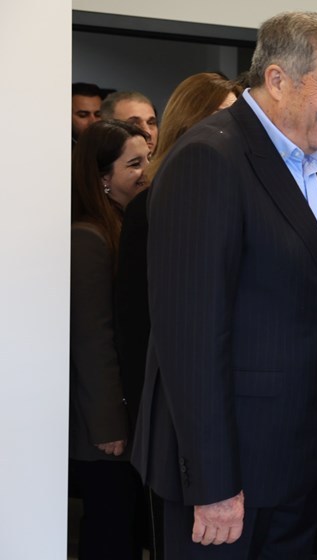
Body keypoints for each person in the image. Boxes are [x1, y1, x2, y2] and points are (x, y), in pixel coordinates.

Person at [131, 11, 317, 558]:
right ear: (277, 80)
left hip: (292, 464)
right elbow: (190, 340)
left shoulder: (309, 166)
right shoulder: (209, 158)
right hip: (229, 478)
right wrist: (213, 484)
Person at [115, 72, 243, 557]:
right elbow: (136, 324)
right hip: (168, 403)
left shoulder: (234, 196)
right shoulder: (150, 204)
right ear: (190, 122)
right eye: (222, 116)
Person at [70, 119, 151, 559]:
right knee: (110, 534)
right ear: (102, 177)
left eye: (147, 159)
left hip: (122, 422)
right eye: (133, 164)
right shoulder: (88, 237)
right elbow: (93, 341)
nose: (146, 172)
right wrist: (108, 426)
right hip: (103, 432)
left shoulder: (122, 225)